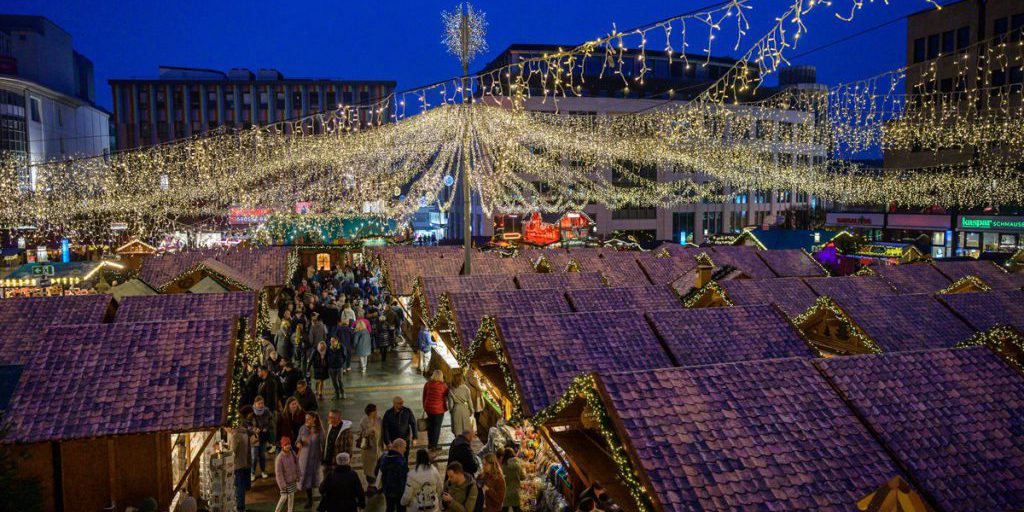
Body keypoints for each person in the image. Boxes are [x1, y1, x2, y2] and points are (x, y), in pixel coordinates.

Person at [296, 412, 324, 509]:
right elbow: (298, 440)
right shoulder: (303, 428)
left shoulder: (319, 430)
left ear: (314, 419)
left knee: (318, 480)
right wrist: (299, 443)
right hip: (304, 459)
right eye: (306, 418)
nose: (306, 420)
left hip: (315, 459)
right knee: (307, 480)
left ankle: (323, 500)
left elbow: (323, 443)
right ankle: (310, 499)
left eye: (309, 419)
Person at [375, 439, 409, 512]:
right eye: (404, 447)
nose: (405, 450)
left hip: (387, 490)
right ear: (398, 447)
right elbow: (403, 478)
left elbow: (376, 472)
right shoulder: (401, 461)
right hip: (399, 492)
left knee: (390, 508)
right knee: (401, 509)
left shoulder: (383, 457)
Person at [421, 371, 448, 452]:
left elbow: (424, 395)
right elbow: (447, 395)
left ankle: (430, 444)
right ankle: (434, 446)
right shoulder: (443, 386)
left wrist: (424, 406)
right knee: (436, 428)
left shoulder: (428, 384)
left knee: (430, 426)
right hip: (438, 410)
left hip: (428, 408)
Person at [248, 397, 274, 479]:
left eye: (262, 403)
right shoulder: (251, 413)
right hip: (254, 437)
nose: (260, 405)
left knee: (262, 456)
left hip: (263, 437)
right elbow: (247, 424)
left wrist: (266, 428)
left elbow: (271, 422)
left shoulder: (267, 412)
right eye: (259, 403)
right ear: (255, 404)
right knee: (254, 457)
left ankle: (263, 471)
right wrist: (254, 429)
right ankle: (252, 472)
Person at [357, 404, 382, 491]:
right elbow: (360, 434)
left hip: (378, 448)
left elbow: (382, 430)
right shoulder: (363, 421)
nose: (376, 412)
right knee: (370, 468)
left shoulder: (379, 419)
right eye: (375, 410)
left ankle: (378, 484)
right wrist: (368, 432)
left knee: (378, 466)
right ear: (371, 412)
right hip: (369, 449)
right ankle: (371, 485)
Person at [228, 422, 251, 512]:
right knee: (241, 486)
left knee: (239, 487)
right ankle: (242, 507)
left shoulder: (235, 435)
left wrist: (227, 449)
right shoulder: (244, 433)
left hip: (238, 464)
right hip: (244, 463)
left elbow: (233, 451)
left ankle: (240, 508)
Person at [322, 410, 354, 475]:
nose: (330, 419)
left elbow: (349, 448)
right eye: (329, 417)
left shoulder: (346, 431)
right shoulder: (330, 426)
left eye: (332, 418)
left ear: (339, 418)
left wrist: (346, 463)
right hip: (327, 461)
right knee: (326, 481)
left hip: (338, 463)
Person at [275, 437, 301, 512]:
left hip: (292, 480)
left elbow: (297, 465)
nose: (288, 446)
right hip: (285, 483)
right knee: (284, 497)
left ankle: (290, 510)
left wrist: (298, 475)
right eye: (286, 445)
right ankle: (277, 510)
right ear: (282, 446)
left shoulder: (292, 453)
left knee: (291, 496)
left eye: (289, 444)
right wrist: (282, 485)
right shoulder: (279, 458)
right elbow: (279, 473)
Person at [447, 373, 475, 437]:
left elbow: (450, 405)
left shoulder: (451, 390)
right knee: (465, 429)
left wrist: (451, 411)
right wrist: (471, 410)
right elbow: (469, 401)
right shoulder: (466, 389)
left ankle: (457, 444)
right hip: (465, 409)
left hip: (456, 409)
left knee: (457, 429)